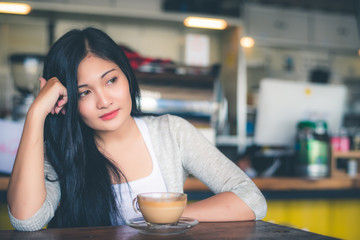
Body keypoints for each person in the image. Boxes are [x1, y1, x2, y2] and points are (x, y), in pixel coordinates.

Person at [7, 27, 267, 231]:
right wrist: (36, 113)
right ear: (68, 101)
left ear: (127, 77)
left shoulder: (171, 133)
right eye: (84, 92)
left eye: (111, 80)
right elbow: (26, 220)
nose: (104, 100)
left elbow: (252, 200)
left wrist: (168, 216)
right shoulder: (60, 149)